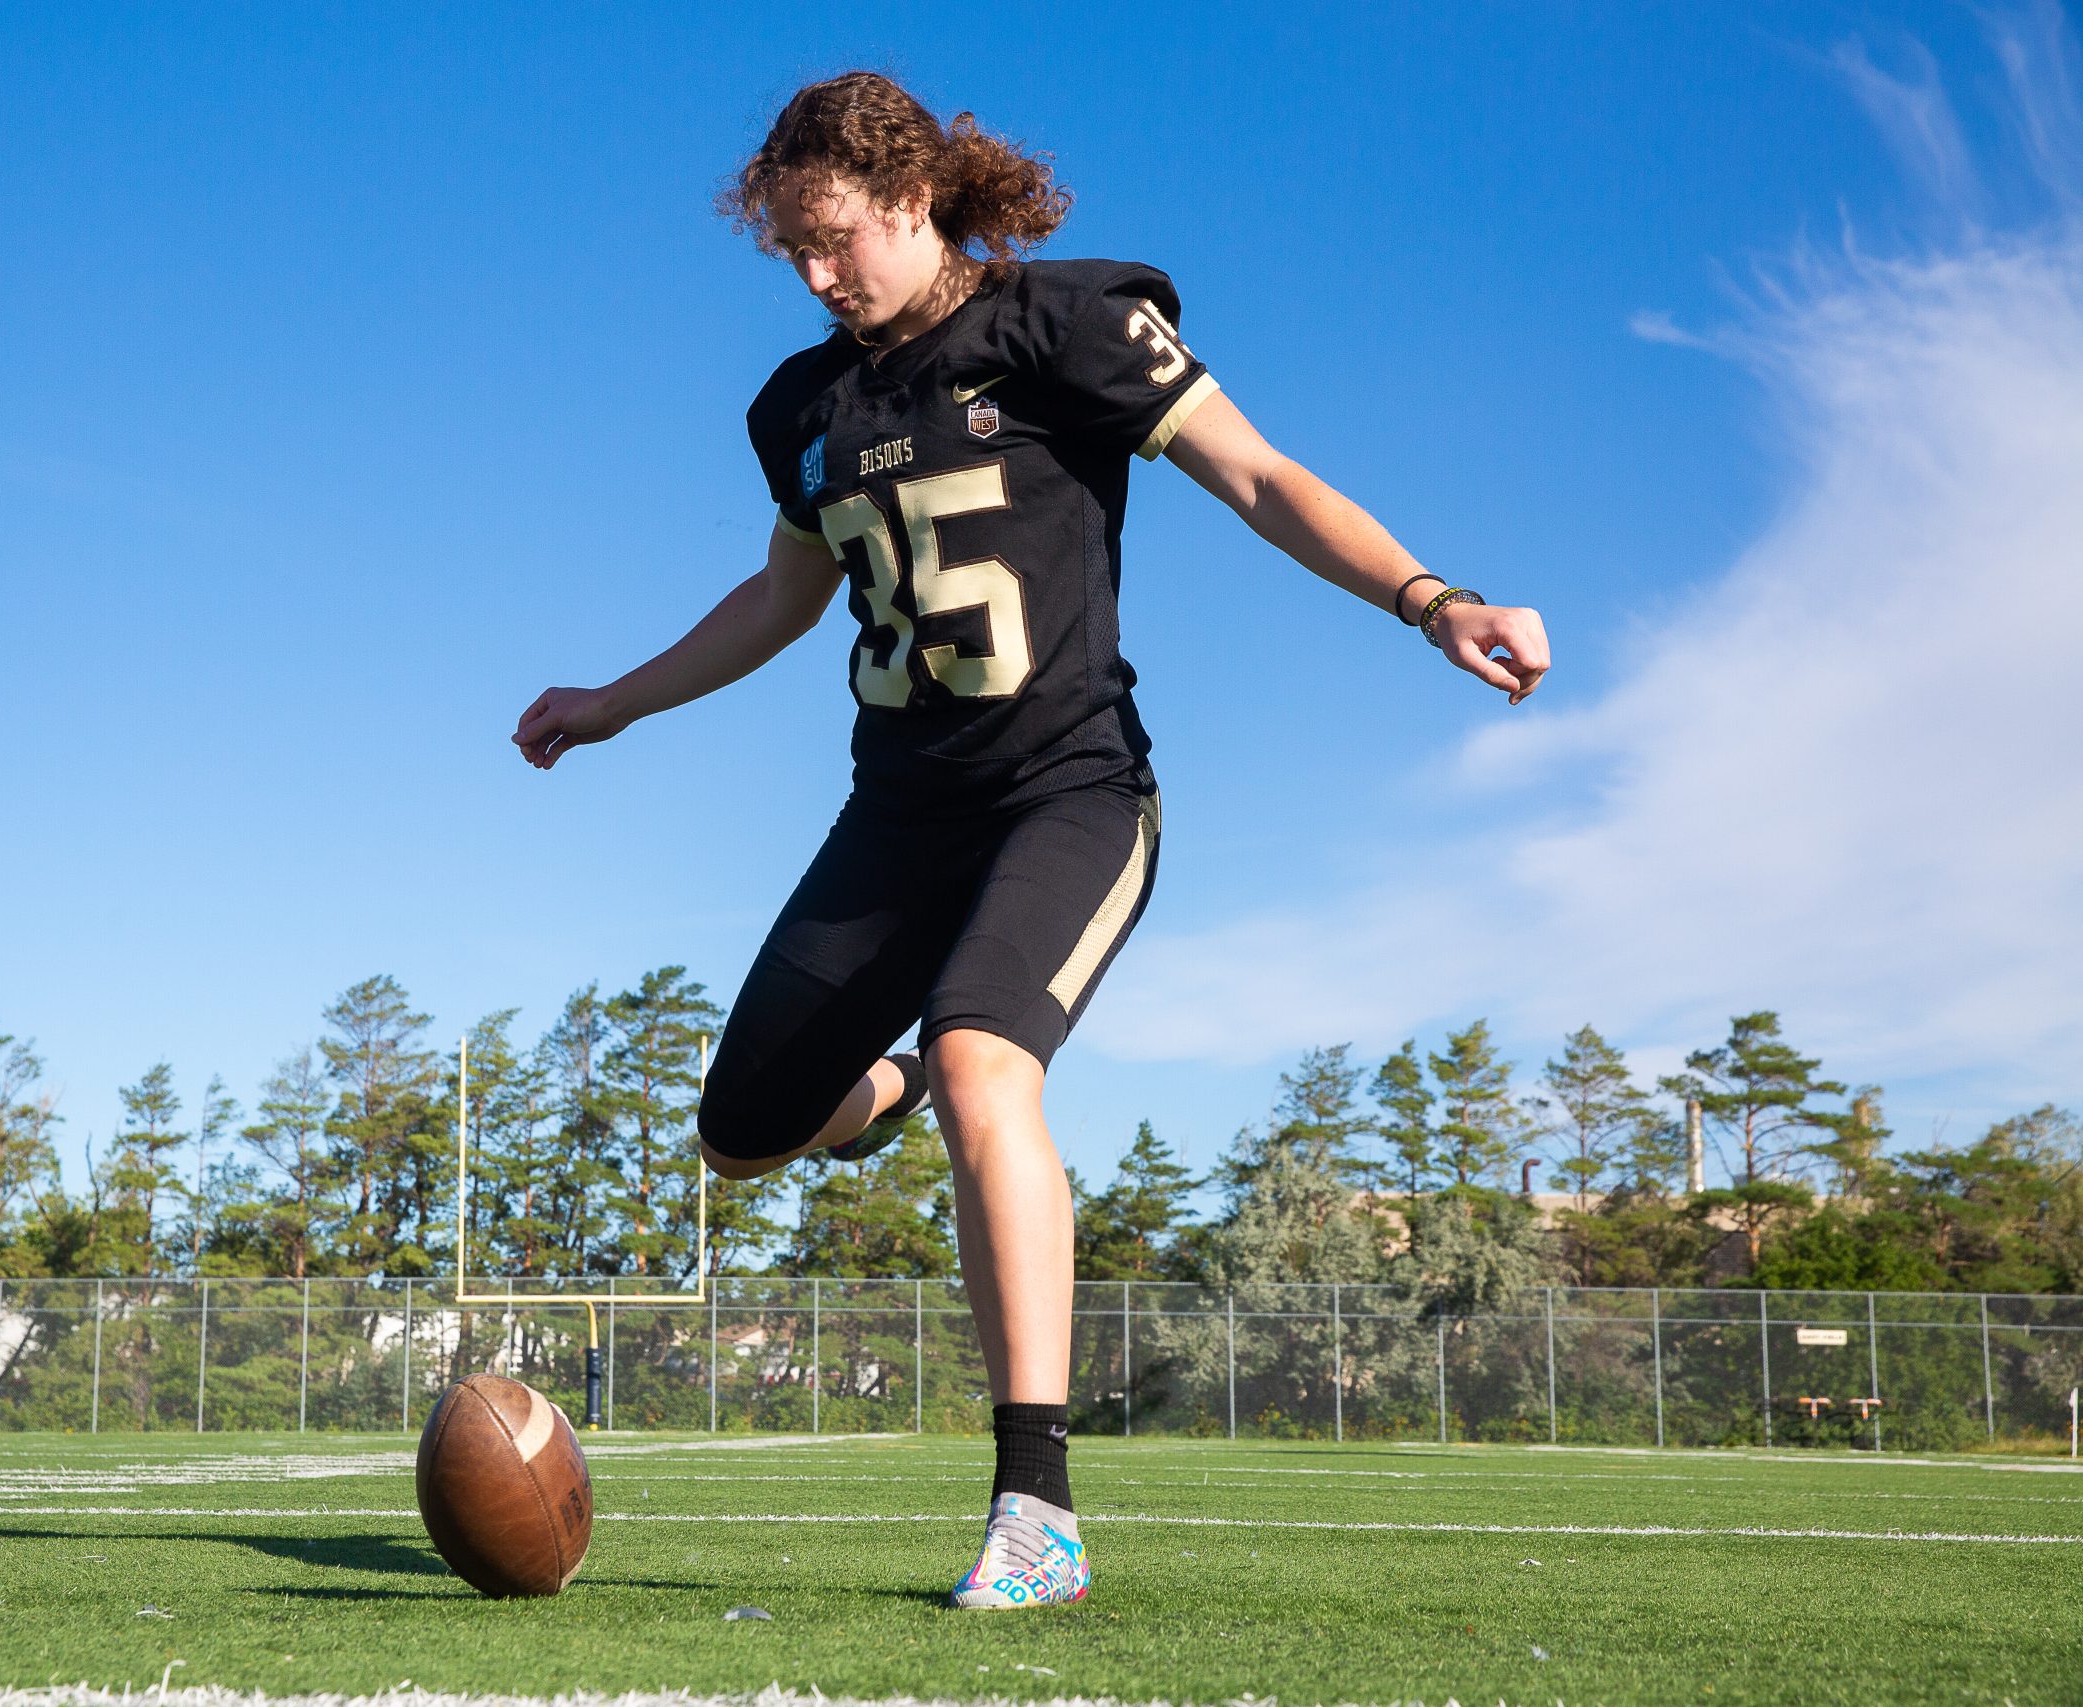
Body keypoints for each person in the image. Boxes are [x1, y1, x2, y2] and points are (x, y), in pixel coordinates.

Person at [512, 72, 1550, 1610]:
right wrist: (615, 702)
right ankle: (889, 1084)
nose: (814, 276)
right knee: (737, 1136)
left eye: (836, 238)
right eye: (789, 251)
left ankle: (1036, 1509)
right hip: (900, 814)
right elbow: (783, 604)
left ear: (914, 198)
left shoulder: (1063, 324)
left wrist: (1430, 598)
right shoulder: (803, 410)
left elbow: (1260, 475)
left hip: (1068, 791)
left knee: (991, 1061)